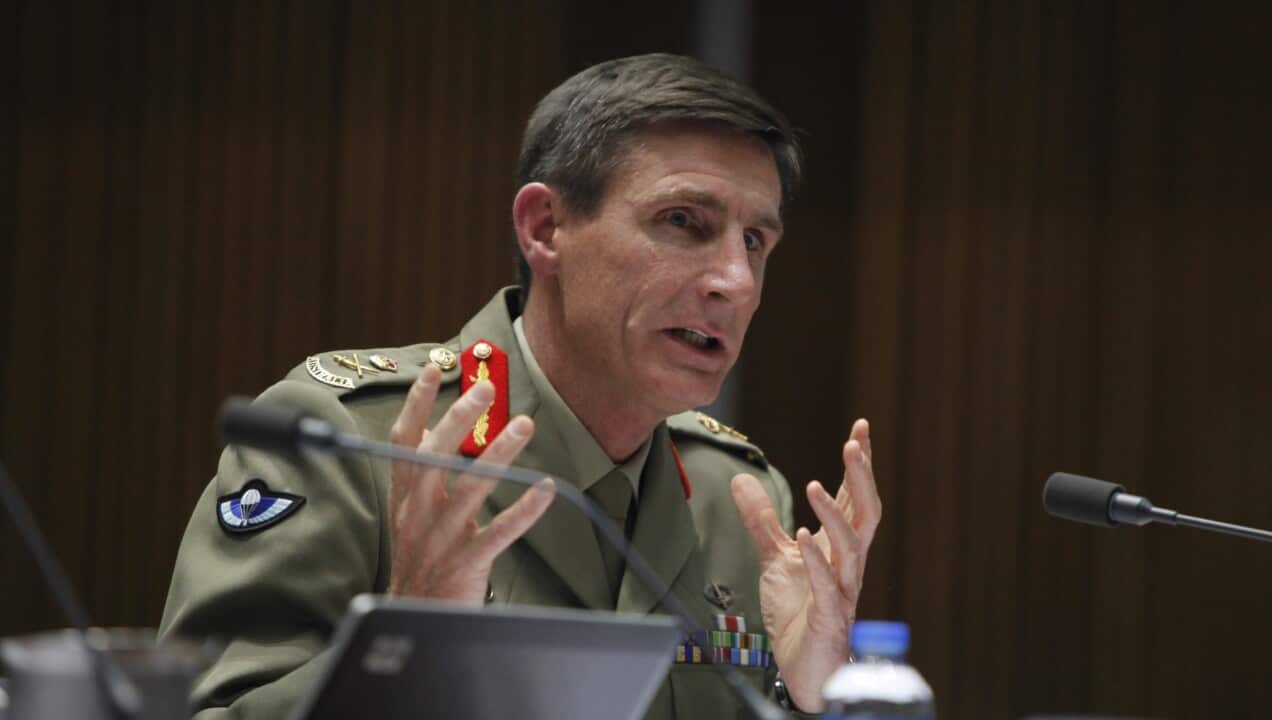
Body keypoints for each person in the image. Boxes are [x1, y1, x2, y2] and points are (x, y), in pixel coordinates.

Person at [160, 53, 881, 719]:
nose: (735, 280)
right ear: (545, 228)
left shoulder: (740, 498)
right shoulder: (350, 444)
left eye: (755, 241)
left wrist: (809, 700)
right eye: (684, 221)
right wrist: (405, 647)